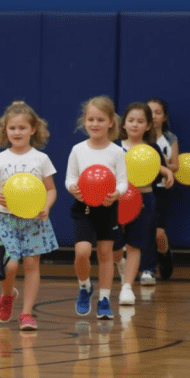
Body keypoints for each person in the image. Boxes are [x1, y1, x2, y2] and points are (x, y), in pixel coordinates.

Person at [0, 101, 59, 331]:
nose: (17, 132)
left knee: (31, 264)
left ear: (32, 129)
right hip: (5, 218)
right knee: (9, 265)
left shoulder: (41, 159)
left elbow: (51, 189)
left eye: (22, 128)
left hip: (33, 220)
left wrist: (47, 206)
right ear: (5, 130)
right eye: (12, 128)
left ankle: (27, 313)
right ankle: (8, 295)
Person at [64, 96, 129, 320]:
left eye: (100, 119)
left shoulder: (117, 152)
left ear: (111, 122)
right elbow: (70, 177)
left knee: (105, 254)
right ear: (84, 121)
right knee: (82, 252)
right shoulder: (78, 150)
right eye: (90, 119)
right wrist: (73, 187)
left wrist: (117, 193)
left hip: (108, 208)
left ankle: (104, 298)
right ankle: (84, 287)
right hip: (84, 208)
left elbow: (123, 180)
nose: (95, 124)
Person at [112, 102, 173, 306]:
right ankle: (121, 263)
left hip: (145, 198)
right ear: (124, 123)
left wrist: (167, 172)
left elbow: (160, 167)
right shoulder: (115, 147)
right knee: (115, 244)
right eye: (131, 120)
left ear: (148, 126)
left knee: (138, 241)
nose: (135, 125)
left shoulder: (152, 148)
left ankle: (129, 286)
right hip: (119, 199)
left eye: (140, 121)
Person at [144, 97, 179, 283]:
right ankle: (146, 268)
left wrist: (163, 165)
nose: (154, 116)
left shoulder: (170, 138)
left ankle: (164, 256)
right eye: (150, 112)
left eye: (158, 112)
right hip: (142, 189)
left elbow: (176, 166)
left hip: (161, 189)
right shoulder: (139, 138)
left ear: (164, 117)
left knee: (158, 233)